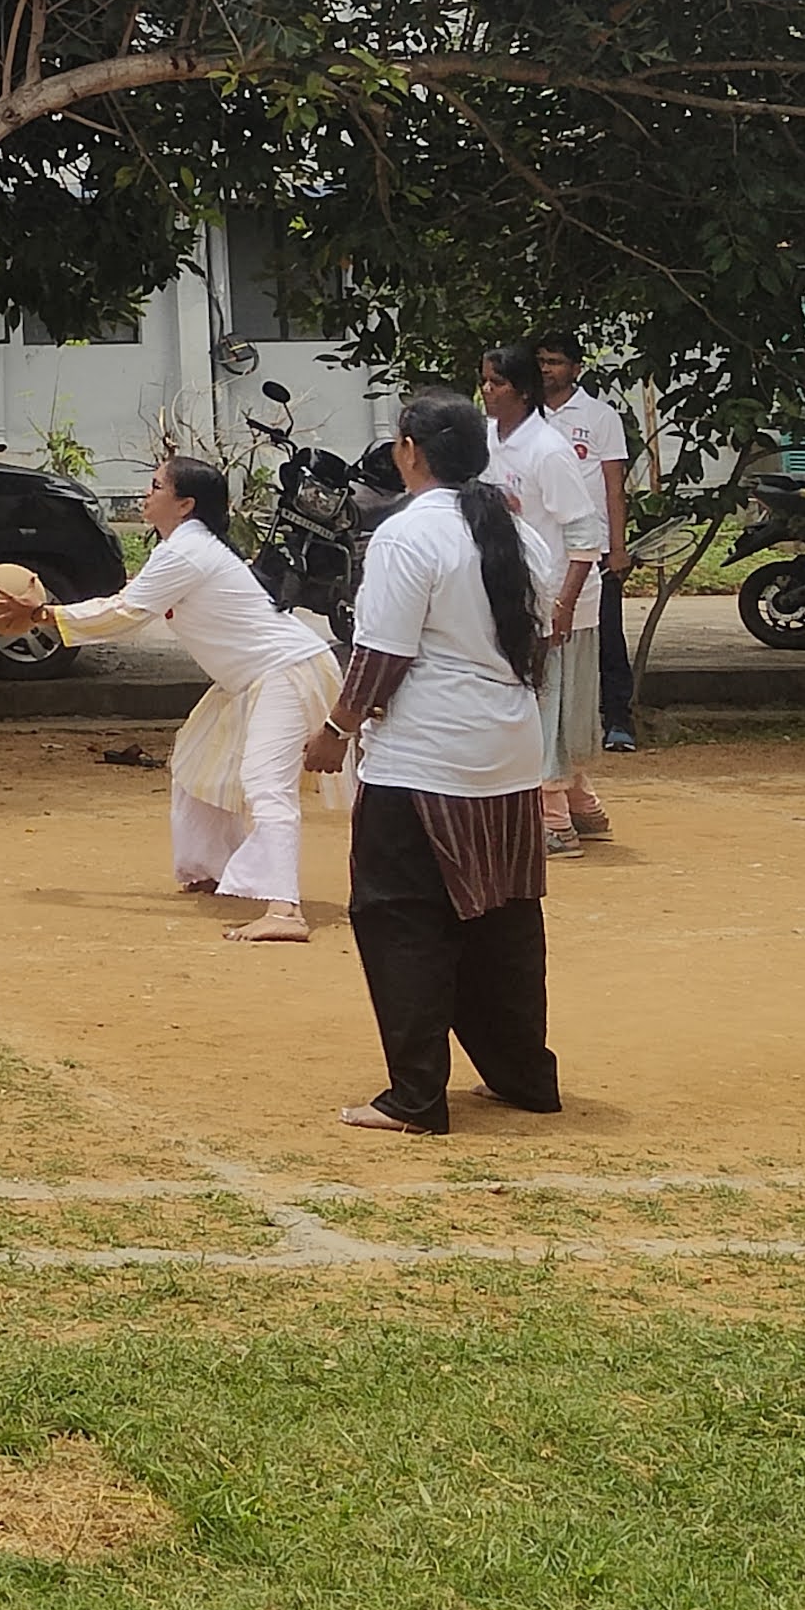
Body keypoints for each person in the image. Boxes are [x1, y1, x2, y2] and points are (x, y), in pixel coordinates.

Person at [312, 396, 563, 1135]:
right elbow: (539, 643)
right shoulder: (518, 534)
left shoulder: (406, 534)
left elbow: (382, 653)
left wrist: (336, 730)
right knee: (504, 919)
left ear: (410, 451)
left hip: (425, 760)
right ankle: (522, 1075)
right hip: (509, 752)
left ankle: (415, 1096)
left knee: (402, 917)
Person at [28, 456, 341, 941]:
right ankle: (214, 869)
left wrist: (46, 616)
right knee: (197, 760)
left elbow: (126, 613)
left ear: (185, 504)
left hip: (286, 672)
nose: (146, 493)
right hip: (254, 679)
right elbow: (130, 601)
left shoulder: (187, 551)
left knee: (265, 784)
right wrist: (49, 615)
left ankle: (285, 912)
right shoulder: (183, 548)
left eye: (156, 486)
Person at [479, 344, 609, 852]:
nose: (487, 391)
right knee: (540, 702)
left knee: (548, 705)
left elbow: (585, 536)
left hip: (558, 596)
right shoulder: (489, 440)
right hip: (518, 595)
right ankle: (582, 803)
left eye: (497, 383)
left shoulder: (548, 450)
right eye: (484, 381)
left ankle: (553, 818)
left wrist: (562, 606)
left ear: (523, 391)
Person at [533, 329, 640, 753]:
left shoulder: (599, 417)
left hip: (590, 548)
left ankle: (618, 721)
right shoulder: (525, 417)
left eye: (555, 362)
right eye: (541, 361)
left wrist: (618, 547)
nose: (546, 370)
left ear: (576, 369)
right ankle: (544, 729)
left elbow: (614, 486)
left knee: (606, 637)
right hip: (541, 547)